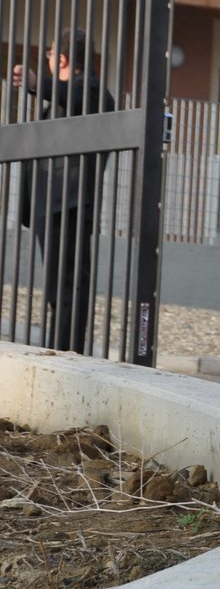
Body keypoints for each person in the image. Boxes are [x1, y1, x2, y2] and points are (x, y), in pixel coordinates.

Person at [11, 29, 114, 354]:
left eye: (50, 53)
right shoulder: (66, 93)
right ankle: (60, 348)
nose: (47, 59)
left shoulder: (93, 91)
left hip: (68, 201)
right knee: (58, 284)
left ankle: (68, 352)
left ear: (63, 58)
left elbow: (79, 96)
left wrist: (34, 83)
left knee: (69, 281)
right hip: (51, 202)